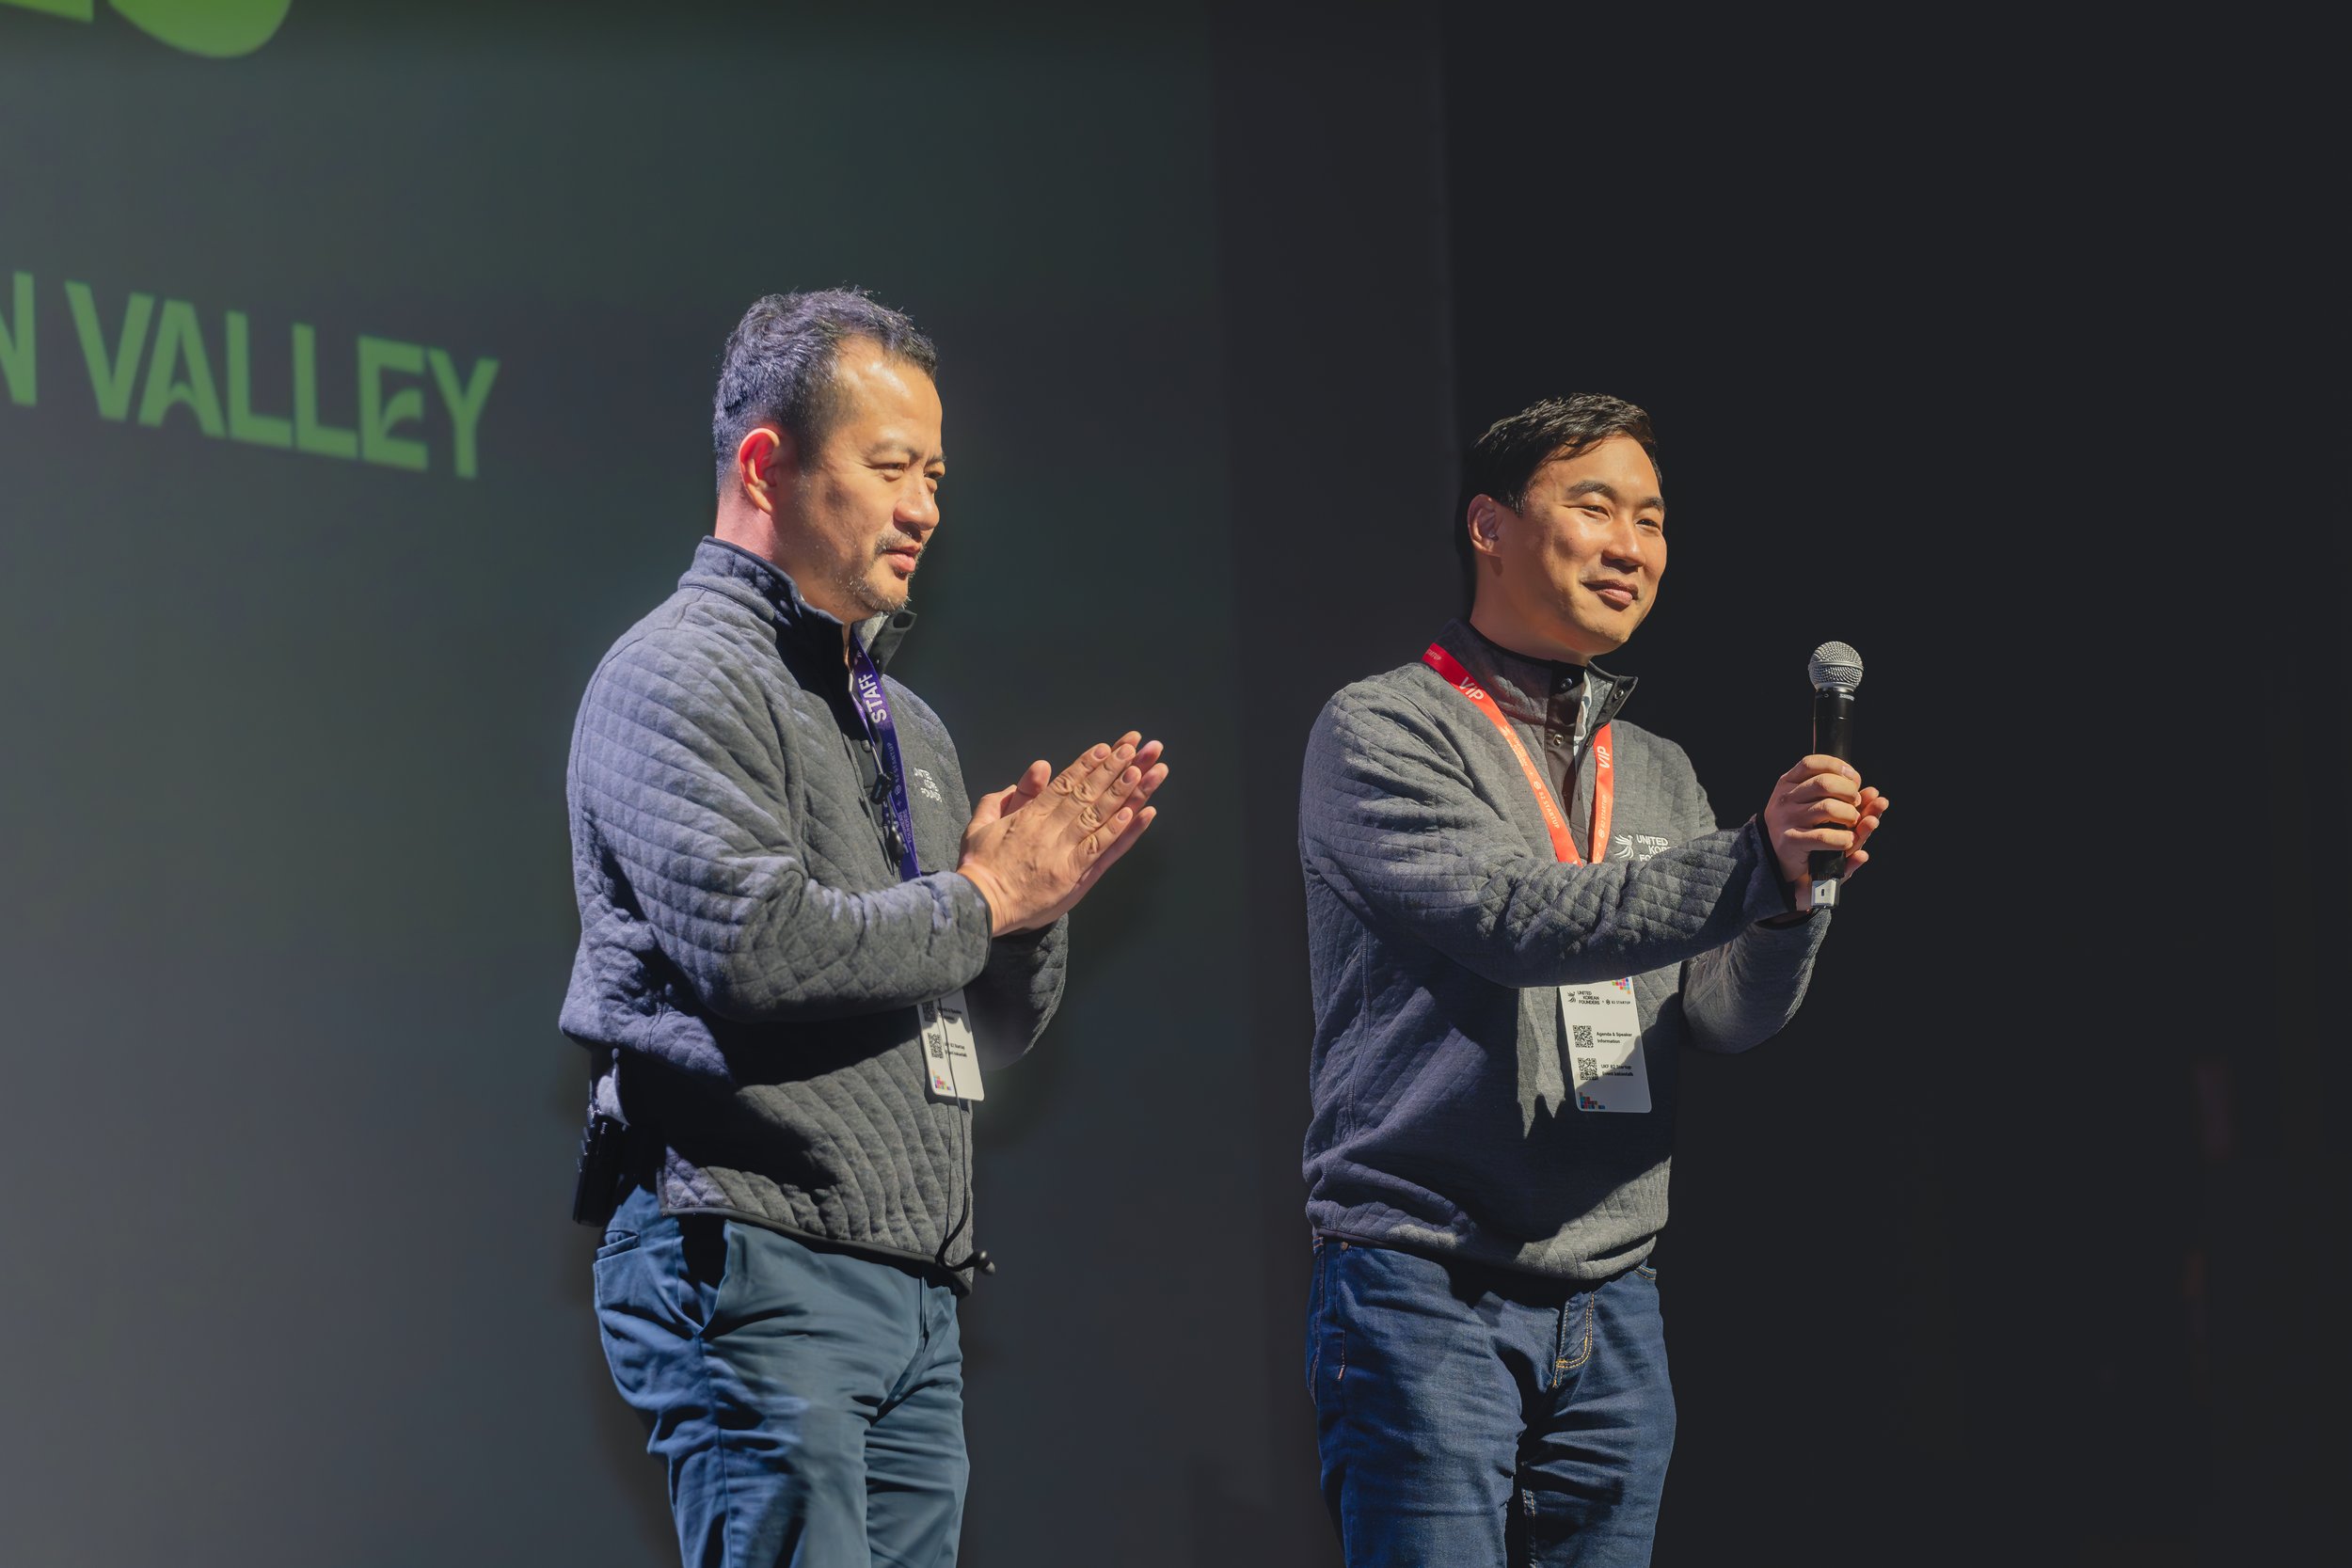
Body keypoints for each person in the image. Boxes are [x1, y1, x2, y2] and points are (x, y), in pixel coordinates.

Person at [560, 290, 1168, 1568]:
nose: (927, 505)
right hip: (753, 1251)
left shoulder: (912, 726)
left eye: (936, 473)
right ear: (768, 464)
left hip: (912, 1282)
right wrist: (983, 897)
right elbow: (757, 945)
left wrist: (1029, 908)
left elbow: (978, 1030)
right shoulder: (675, 672)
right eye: (891, 466)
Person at [1297, 395, 1889, 1566]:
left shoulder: (1657, 767)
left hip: (1615, 1294)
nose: (1632, 545)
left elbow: (1719, 1013)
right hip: (1426, 1281)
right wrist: (1745, 858)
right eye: (1595, 507)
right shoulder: (1383, 728)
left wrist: (1790, 897)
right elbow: (1517, 920)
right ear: (1490, 526)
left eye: (1653, 518)